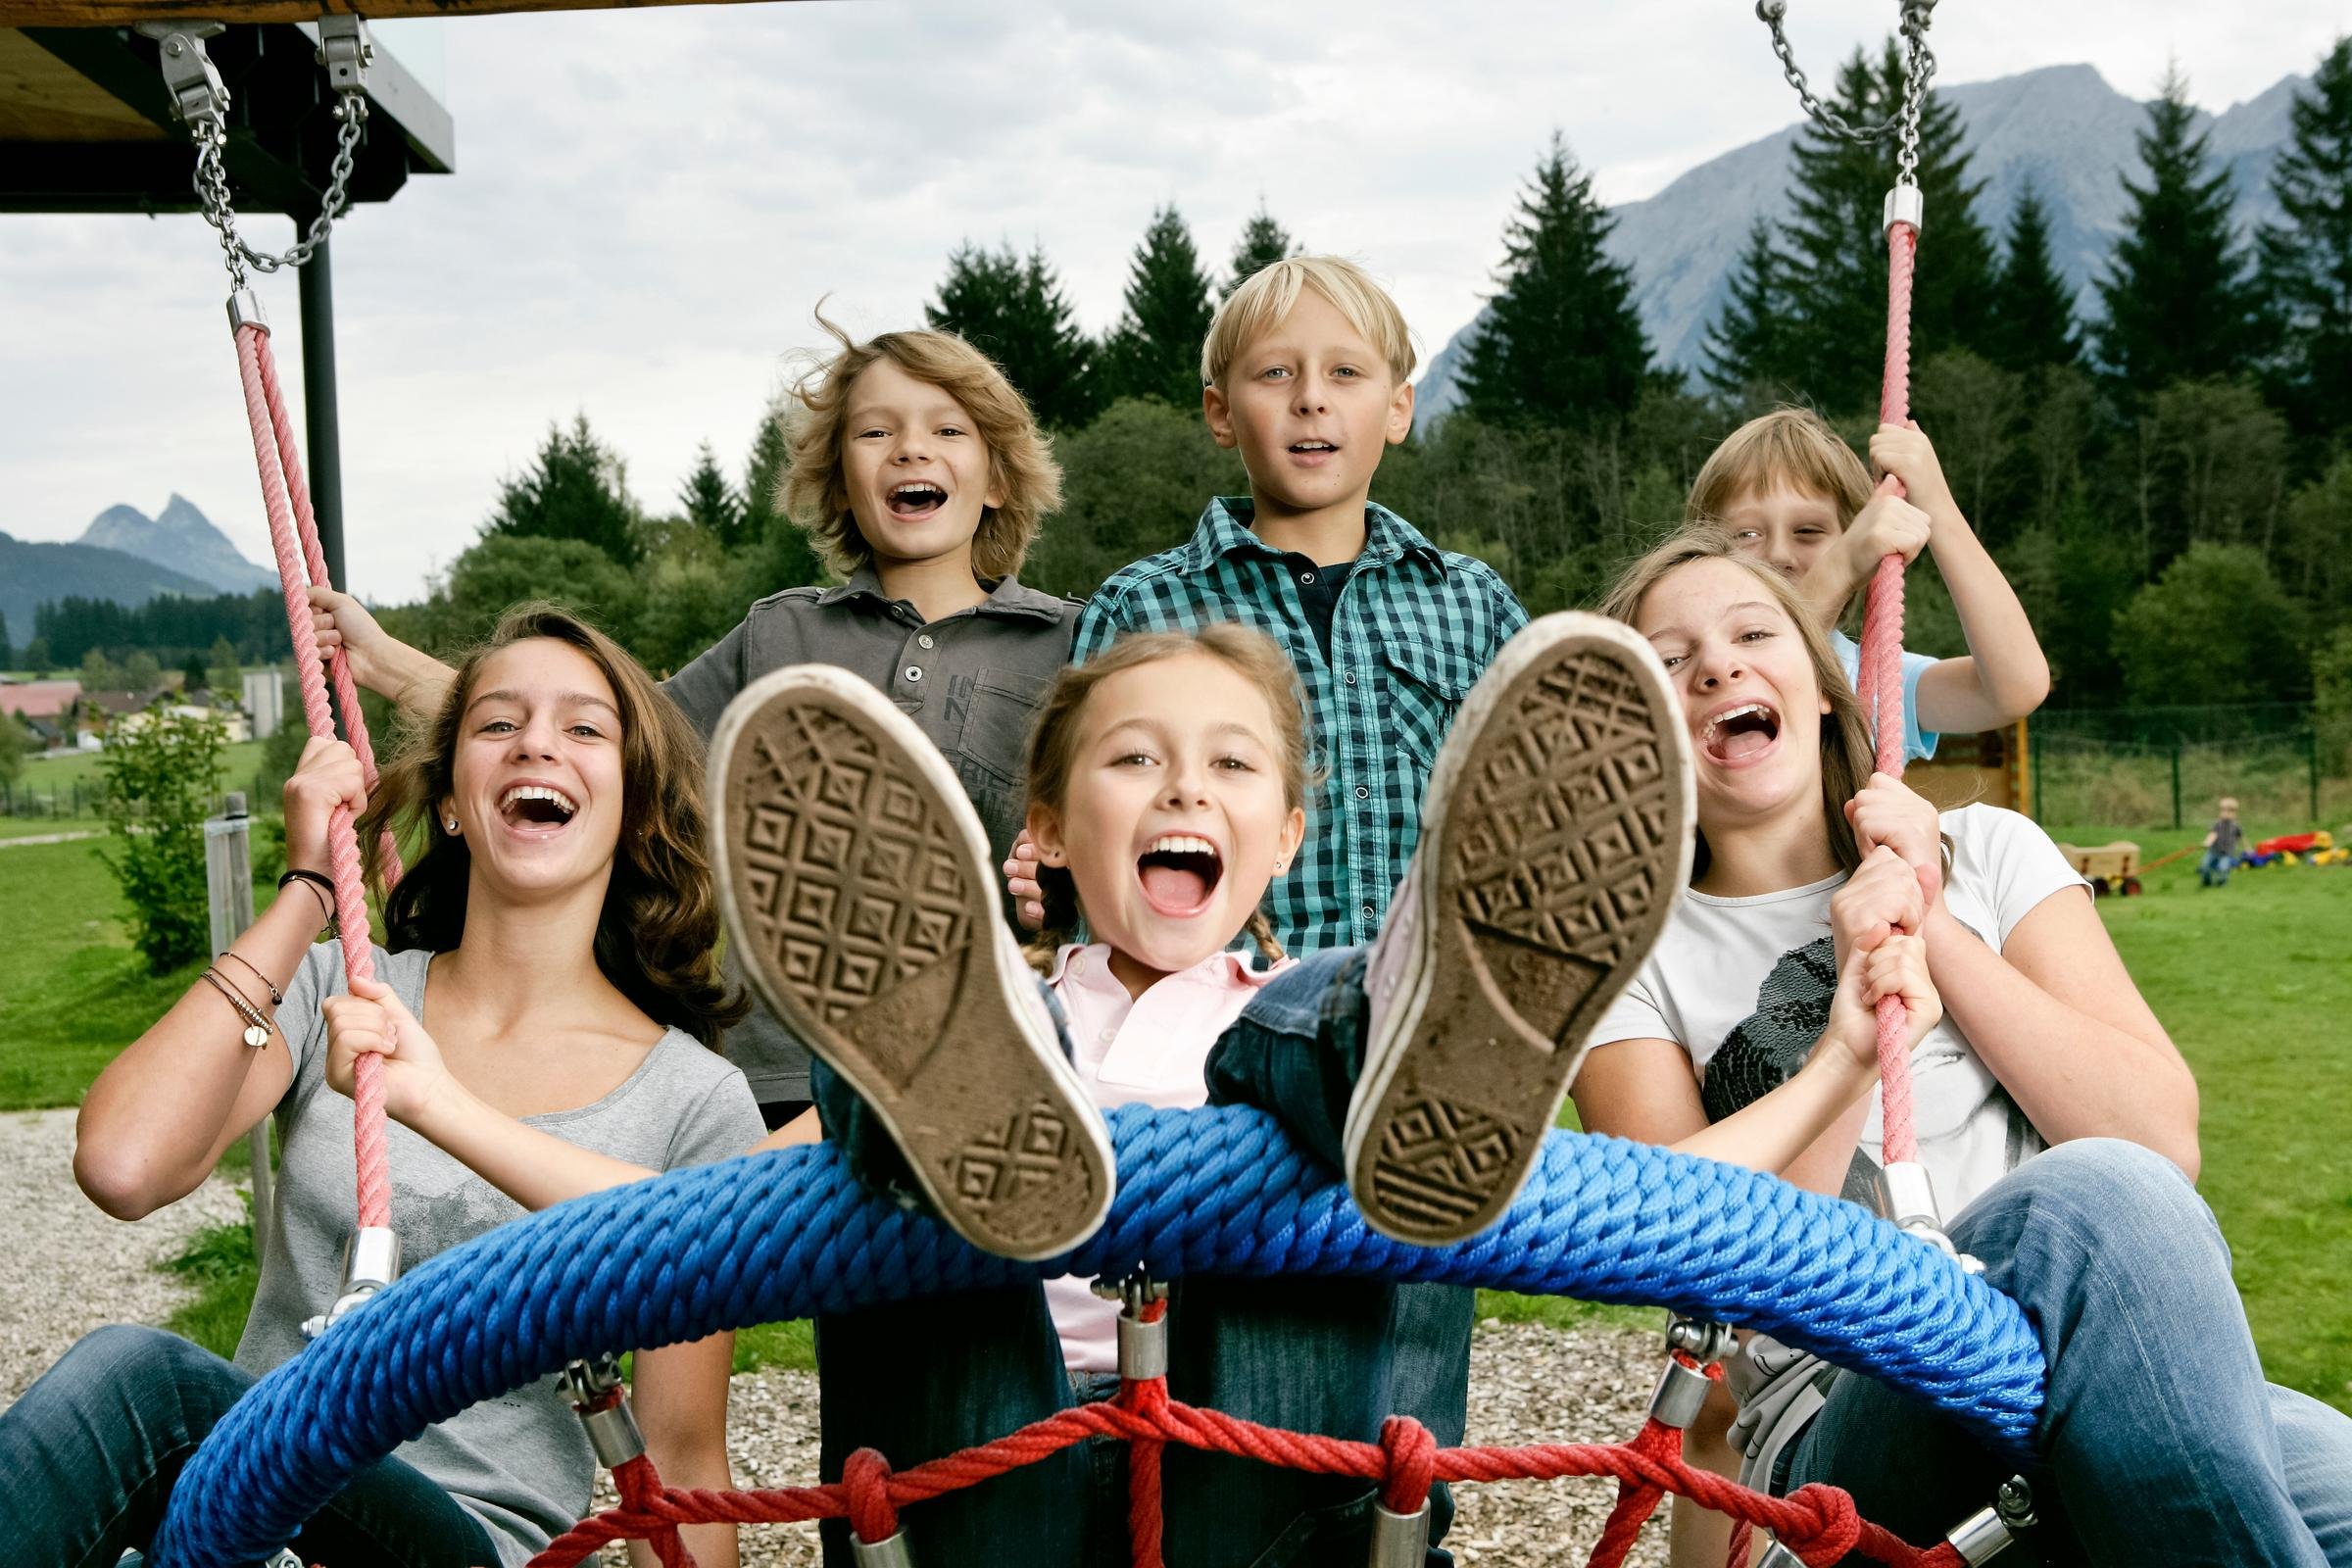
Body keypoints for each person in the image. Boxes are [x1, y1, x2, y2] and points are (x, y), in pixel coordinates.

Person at [706, 610, 1688, 1566]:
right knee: (924, 1072)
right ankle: (921, 1056)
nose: (1184, 788)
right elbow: (708, 1216)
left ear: (1287, 836)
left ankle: (1430, 1027)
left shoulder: (1285, 1019)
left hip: (1257, 1478)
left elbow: (1645, 1184)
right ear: (1045, 827)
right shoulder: (999, 1008)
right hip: (975, 1480)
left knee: (1287, 1040)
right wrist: (567, 1257)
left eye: (1232, 763)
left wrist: (1839, 1065)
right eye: (1135, 758)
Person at [1574, 527, 2352, 1566]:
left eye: (1753, 631)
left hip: (2084, 1350)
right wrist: (1844, 1056)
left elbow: (2160, 1137)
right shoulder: (1625, 963)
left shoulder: (1987, 850)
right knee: (2097, 1196)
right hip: (1844, 1416)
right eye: (1669, 662)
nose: (1716, 663)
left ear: (1819, 685)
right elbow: (1697, 1274)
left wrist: (1928, 919)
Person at [3, 606, 764, 1568]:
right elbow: (122, 1162)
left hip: (452, 1542)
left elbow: (683, 1453)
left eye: (583, 727)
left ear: (637, 801)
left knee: (143, 1378)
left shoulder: (693, 1101)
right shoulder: (343, 989)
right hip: (236, 1518)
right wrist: (309, 889)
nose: (535, 742)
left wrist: (433, 1098)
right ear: (451, 801)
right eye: (496, 724)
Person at [310, 319, 1077, 1129]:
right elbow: (602, 738)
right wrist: (388, 663)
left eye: (947, 430)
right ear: (841, 479)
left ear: (995, 478)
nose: (910, 450)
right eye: (876, 431)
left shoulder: (1068, 644)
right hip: (783, 1067)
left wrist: (1057, 894)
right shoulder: (781, 634)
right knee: (781, 1256)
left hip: (973, 1064)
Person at [1013, 255, 1529, 954]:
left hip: (1437, 1019)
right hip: (1216, 1031)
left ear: (1399, 408)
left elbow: (1537, 817)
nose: (1311, 398)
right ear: (1221, 413)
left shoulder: (1473, 604)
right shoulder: (1143, 608)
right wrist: (1048, 882)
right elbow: (1088, 829)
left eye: (1345, 373)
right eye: (1275, 373)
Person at [1686, 407, 2049, 761]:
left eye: (1808, 531)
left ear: (1862, 542)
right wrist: (1838, 567)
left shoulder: (1875, 681)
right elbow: (1760, 668)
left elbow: (2014, 689)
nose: (1779, 553)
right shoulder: (1690, 674)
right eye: (1747, 533)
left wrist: (1936, 503)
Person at [2201, 795, 2246, 887]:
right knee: (2205, 866)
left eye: (2230, 811)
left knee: (2223, 868)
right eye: (2223, 810)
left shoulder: (2236, 826)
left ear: (2235, 813)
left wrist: (2247, 848)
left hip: (2226, 853)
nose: (2226, 813)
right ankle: (2207, 881)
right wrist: (2207, 842)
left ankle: (2222, 881)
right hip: (2213, 851)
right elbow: (2212, 834)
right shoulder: (2217, 824)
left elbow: (2240, 837)